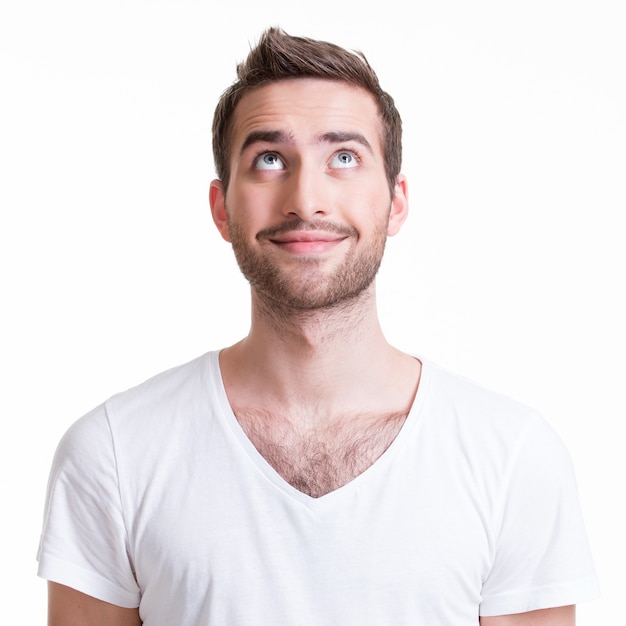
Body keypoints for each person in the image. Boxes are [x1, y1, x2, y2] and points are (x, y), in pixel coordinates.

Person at [37, 26, 599, 625]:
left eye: (345, 158)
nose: (306, 199)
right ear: (221, 208)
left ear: (396, 202)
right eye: (270, 159)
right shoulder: (116, 453)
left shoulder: (511, 457)